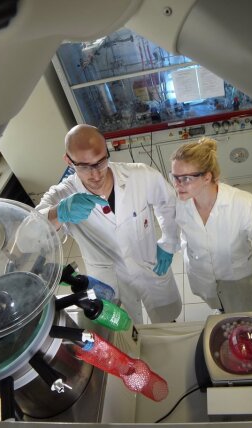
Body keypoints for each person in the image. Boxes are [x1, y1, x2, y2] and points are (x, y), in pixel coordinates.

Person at [36, 124, 182, 324]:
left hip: (149, 263)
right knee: (124, 329)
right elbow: (31, 233)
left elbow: (169, 203)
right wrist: (57, 213)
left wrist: (168, 241)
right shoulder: (62, 195)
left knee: (167, 319)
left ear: (107, 152)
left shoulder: (139, 175)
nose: (95, 175)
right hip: (109, 278)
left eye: (101, 162)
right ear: (68, 161)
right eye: (84, 166)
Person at [170, 138, 252, 313]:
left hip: (237, 277)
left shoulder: (243, 204)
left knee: (251, 314)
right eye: (175, 177)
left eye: (185, 178)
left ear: (207, 177)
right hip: (202, 275)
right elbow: (181, 232)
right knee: (220, 308)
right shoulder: (180, 202)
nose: (177, 186)